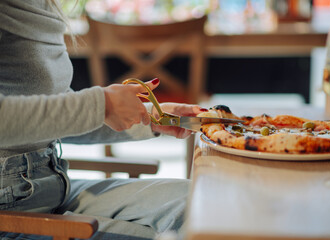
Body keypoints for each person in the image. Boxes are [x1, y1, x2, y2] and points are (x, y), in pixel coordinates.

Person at [0, 0, 207, 239]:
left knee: (199, 202)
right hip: (12, 210)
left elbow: (52, 117)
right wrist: (101, 104)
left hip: (53, 185)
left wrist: (150, 116)